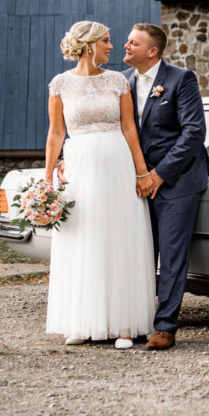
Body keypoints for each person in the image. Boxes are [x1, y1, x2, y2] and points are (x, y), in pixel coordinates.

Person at [44, 21, 156, 350]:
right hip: (79, 167)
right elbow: (55, 133)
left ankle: (124, 325)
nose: (112, 46)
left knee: (118, 239)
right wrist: (48, 175)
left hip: (117, 166)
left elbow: (129, 129)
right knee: (84, 239)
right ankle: (81, 321)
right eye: (106, 41)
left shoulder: (118, 81)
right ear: (90, 44)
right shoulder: (59, 84)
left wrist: (140, 172)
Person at [124, 23, 208, 351]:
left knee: (171, 255)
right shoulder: (124, 83)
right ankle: (136, 319)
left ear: (152, 51)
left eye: (134, 42)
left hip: (179, 180)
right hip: (140, 182)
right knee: (141, 253)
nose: (126, 46)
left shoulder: (180, 80)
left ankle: (165, 326)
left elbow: (193, 134)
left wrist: (158, 175)